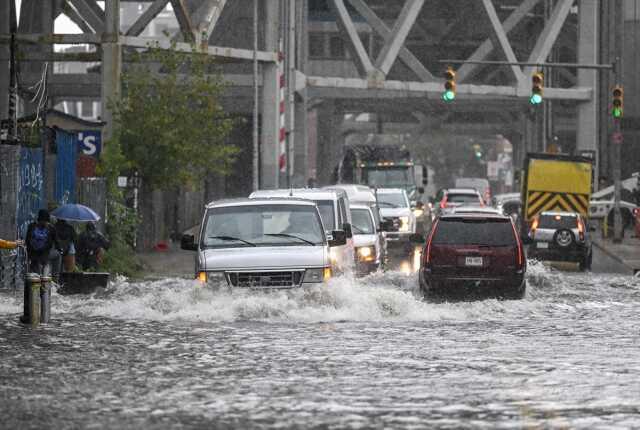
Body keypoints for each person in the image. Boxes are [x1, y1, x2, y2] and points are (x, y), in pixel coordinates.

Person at [25, 209, 58, 276]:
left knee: (35, 269)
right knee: (58, 255)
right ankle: (55, 277)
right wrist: (60, 249)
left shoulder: (31, 226)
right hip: (44, 255)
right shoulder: (51, 228)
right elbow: (57, 242)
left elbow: (27, 241)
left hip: (32, 255)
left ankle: (35, 276)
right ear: (46, 220)